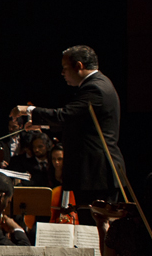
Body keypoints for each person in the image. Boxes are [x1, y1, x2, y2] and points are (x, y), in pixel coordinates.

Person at [13, 45, 124, 224]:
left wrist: (29, 110)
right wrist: (42, 126)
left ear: (79, 66)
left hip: (96, 174)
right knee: (93, 229)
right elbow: (78, 123)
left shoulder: (95, 88)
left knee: (96, 230)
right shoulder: (98, 84)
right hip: (94, 174)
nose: (62, 73)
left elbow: (65, 115)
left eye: (65, 68)